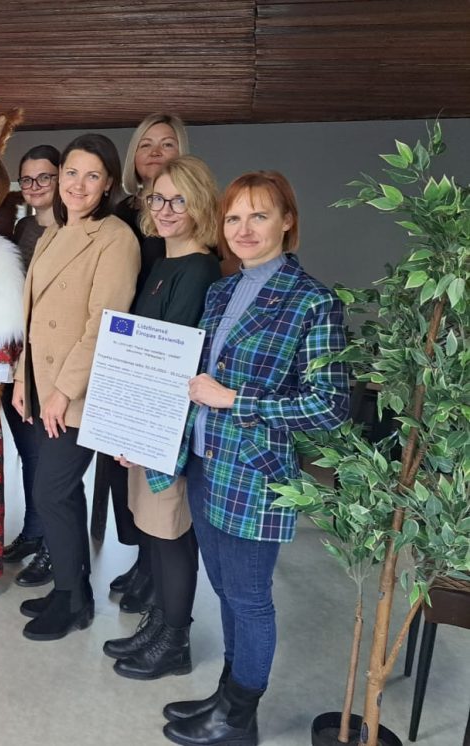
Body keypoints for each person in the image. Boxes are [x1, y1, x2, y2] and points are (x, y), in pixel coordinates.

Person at [155, 172, 349, 746]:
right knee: (224, 589)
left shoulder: (313, 301)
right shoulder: (221, 291)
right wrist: (144, 433)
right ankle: (228, 695)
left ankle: (239, 718)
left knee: (249, 599)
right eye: (234, 217)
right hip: (205, 462)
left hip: (256, 475)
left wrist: (236, 400)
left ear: (287, 222)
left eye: (259, 215)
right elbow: (195, 382)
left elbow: (330, 406)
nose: (244, 229)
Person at [98, 156, 222, 679]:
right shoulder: (164, 263)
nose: (166, 210)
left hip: (165, 427)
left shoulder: (199, 268)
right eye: (158, 198)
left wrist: (139, 431)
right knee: (152, 528)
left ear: (201, 206)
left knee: (170, 533)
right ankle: (159, 624)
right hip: (144, 423)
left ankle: (175, 640)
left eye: (179, 200)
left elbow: (172, 361)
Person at [13, 134, 139, 641]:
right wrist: (22, 380)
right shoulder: (53, 233)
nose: (78, 185)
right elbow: (32, 317)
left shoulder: (115, 238)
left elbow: (104, 324)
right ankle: (70, 588)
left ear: (108, 183)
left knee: (52, 490)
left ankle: (75, 599)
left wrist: (64, 391)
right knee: (57, 492)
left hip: (77, 392)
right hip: (43, 385)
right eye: (71, 173)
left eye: (92, 176)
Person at [101, 113, 191, 608]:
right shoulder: (122, 212)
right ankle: (141, 562)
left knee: (158, 488)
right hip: (123, 351)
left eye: (167, 144)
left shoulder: (190, 229)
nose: (155, 152)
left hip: (160, 355)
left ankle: (157, 577)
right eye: (146, 144)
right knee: (124, 478)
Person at [4, 144, 62, 588]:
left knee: (52, 460)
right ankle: (33, 530)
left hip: (50, 361)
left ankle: (52, 548)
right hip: (15, 357)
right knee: (29, 453)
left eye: (45, 177)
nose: (36, 185)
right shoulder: (23, 227)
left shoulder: (71, 230)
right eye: (27, 178)